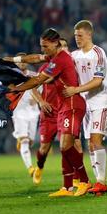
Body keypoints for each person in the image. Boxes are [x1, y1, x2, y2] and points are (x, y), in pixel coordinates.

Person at [9, 28, 91, 197]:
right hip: (62, 107)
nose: (42, 49)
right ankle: (67, 187)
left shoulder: (60, 59)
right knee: (63, 147)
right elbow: (35, 57)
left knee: (67, 145)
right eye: (41, 46)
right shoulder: (54, 56)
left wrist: (17, 90)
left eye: (45, 46)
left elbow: (38, 80)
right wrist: (13, 59)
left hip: (72, 105)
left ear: (55, 43)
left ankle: (84, 181)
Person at [63, 20, 107, 195]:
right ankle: (96, 183)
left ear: (89, 34)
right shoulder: (74, 55)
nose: (77, 38)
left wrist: (75, 90)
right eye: (75, 35)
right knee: (89, 144)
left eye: (80, 35)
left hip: (101, 100)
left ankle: (101, 182)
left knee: (95, 141)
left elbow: (98, 81)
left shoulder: (98, 53)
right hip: (85, 103)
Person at [32, 38, 68, 185]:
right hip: (49, 114)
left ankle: (74, 180)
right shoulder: (46, 67)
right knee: (44, 148)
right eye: (61, 46)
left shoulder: (72, 65)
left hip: (65, 112)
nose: (63, 49)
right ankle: (39, 166)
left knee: (68, 146)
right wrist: (41, 101)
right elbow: (33, 87)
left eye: (66, 46)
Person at [11, 53, 41, 177]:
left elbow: (42, 89)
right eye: (20, 61)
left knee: (31, 141)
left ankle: (21, 140)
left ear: (27, 62)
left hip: (33, 112)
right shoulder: (11, 77)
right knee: (24, 140)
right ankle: (30, 168)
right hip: (19, 112)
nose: (22, 63)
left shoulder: (34, 75)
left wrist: (38, 99)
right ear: (16, 63)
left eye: (24, 61)